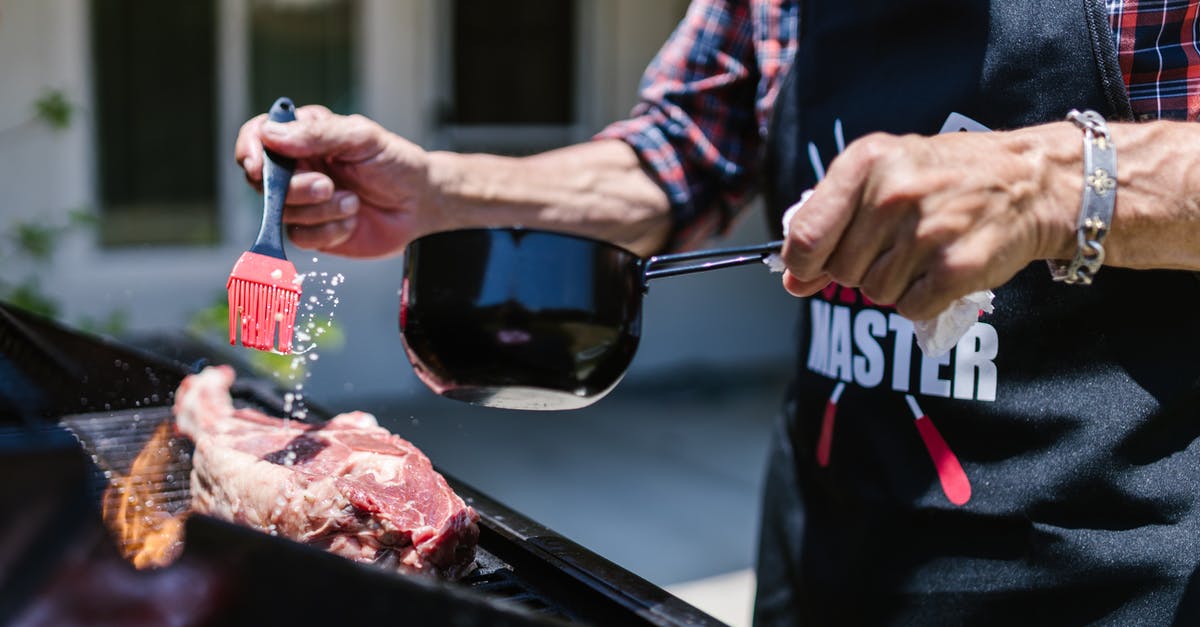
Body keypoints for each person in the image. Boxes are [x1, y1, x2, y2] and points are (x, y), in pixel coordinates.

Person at [235, 1, 1200, 623]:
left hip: (1114, 581)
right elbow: (678, 153)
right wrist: (437, 190)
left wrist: (1059, 180)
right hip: (830, 554)